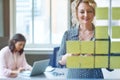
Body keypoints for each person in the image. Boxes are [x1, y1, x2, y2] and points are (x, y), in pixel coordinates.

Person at [56, 0, 104, 79]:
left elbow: (110, 66)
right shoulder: (68, 35)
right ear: (77, 14)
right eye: (82, 12)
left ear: (94, 13)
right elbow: (58, 62)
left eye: (89, 11)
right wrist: (69, 56)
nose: (86, 15)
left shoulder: (102, 36)